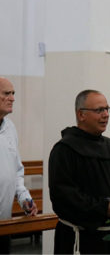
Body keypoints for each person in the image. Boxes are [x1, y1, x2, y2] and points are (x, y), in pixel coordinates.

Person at [49, 89, 110, 254]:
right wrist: (103, 207)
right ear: (81, 114)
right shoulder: (64, 149)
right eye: (99, 110)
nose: (106, 114)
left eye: (107, 109)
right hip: (81, 239)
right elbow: (62, 195)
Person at [0, 77, 38, 253]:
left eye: (13, 93)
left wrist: (24, 198)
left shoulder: (10, 128)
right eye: (6, 93)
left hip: (4, 224)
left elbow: (16, 171)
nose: (12, 98)